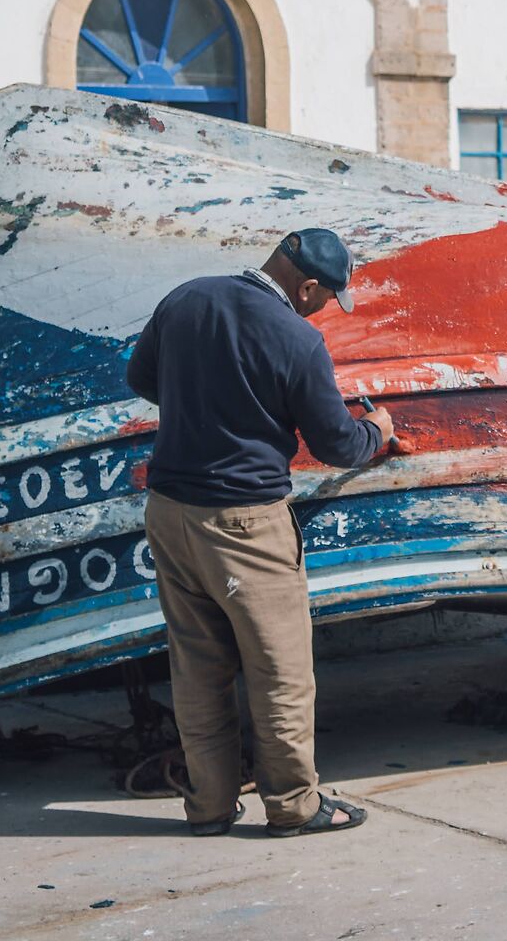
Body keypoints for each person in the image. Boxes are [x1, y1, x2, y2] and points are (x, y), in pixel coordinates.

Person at [126, 227, 395, 837]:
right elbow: (337, 445)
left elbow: (140, 380)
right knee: (278, 670)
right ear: (306, 287)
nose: (328, 308)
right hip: (247, 521)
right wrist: (379, 429)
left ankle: (209, 808)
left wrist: (204, 405)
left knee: (197, 667)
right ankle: (294, 807)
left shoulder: (185, 299)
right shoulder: (298, 340)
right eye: (328, 297)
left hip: (170, 512)